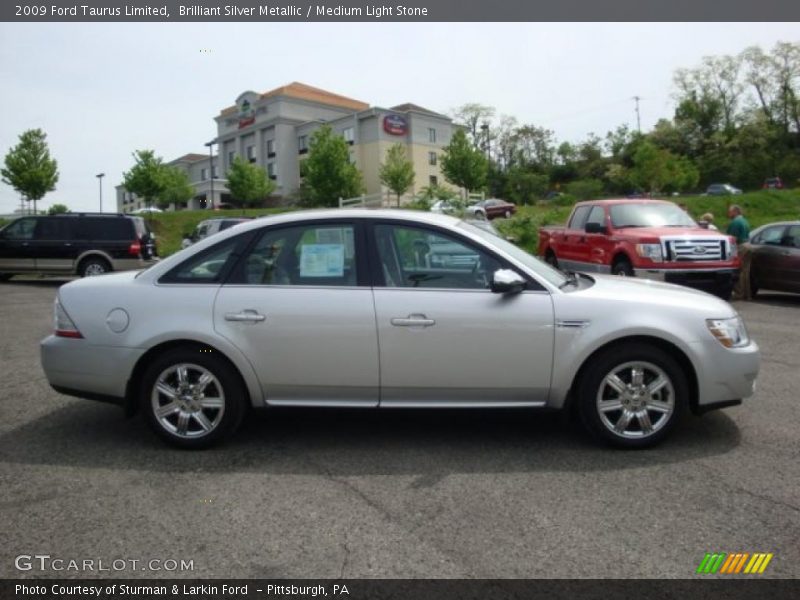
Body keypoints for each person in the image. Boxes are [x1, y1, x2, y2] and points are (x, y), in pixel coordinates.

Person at [726, 205, 751, 300]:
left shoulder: (735, 222)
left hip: (741, 247)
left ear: (735, 212)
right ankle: (747, 294)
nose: (728, 213)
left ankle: (739, 294)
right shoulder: (744, 220)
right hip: (748, 245)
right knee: (746, 272)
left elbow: (732, 238)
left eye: (730, 211)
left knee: (738, 271)